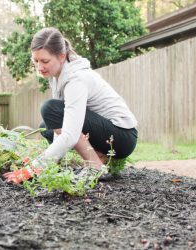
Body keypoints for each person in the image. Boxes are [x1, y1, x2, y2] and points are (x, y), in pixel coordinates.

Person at [28, 27, 138, 177]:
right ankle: (95, 157)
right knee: (46, 127)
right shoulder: (57, 75)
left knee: (50, 109)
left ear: (61, 56)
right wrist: (51, 164)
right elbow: (61, 125)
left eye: (45, 61)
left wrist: (34, 167)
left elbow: (70, 134)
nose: (39, 67)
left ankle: (95, 167)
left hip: (121, 136)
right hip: (106, 133)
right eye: (35, 61)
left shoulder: (76, 79)